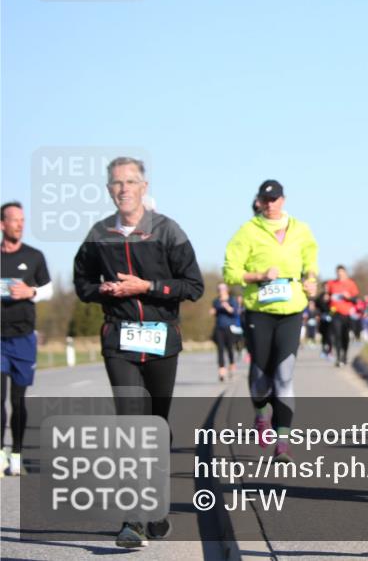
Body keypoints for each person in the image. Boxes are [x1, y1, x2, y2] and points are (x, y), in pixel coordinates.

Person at [73, 157, 204, 548]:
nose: (124, 188)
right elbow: (82, 283)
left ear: (144, 187)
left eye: (131, 181)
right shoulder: (99, 234)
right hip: (120, 340)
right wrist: (103, 290)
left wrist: (147, 287)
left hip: (162, 340)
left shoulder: (167, 230)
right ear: (108, 190)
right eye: (117, 183)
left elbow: (193, 286)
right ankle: (133, 521)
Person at [224, 180, 318, 462]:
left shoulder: (301, 229)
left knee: (284, 375)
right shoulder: (247, 231)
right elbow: (230, 272)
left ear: (283, 200)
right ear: (259, 202)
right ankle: (260, 413)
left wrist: (311, 282)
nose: (270, 204)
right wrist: (259, 276)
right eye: (265, 200)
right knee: (261, 375)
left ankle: (283, 442)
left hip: (292, 309)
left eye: (274, 199)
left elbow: (311, 264)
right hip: (259, 311)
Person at [1, 201, 53, 477]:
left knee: (18, 400)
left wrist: (30, 292)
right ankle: (0, 455)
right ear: (2, 224)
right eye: (14, 220)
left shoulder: (34, 256)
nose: (20, 224)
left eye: (22, 220)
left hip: (22, 338)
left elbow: (48, 289)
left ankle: (17, 455)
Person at [324, 265, 359, 366]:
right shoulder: (331, 283)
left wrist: (348, 298)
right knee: (337, 335)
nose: (340, 274)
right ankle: (338, 357)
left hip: (347, 314)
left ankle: (345, 355)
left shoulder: (351, 283)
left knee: (345, 336)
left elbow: (356, 300)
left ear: (345, 273)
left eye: (341, 273)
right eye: (338, 273)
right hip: (335, 313)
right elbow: (328, 296)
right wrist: (326, 298)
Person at [209, 283, 240, 381]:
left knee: (230, 348)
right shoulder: (216, 301)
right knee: (220, 349)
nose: (221, 290)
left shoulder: (232, 300)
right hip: (219, 327)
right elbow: (214, 313)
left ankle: (232, 365)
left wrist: (227, 307)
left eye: (222, 288)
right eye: (219, 289)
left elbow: (235, 313)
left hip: (230, 328)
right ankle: (221, 371)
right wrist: (213, 312)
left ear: (227, 290)